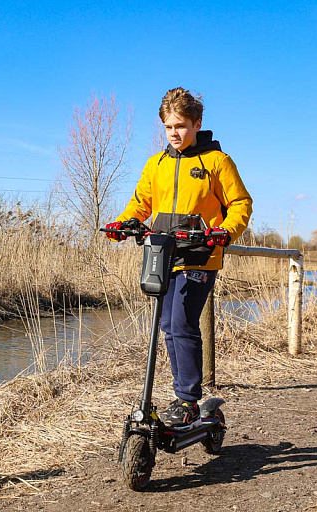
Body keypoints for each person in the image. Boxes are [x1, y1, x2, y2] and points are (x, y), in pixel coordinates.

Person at [105, 87, 252, 427]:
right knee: (168, 325)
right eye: (169, 127)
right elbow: (141, 203)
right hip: (162, 253)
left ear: (197, 124)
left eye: (181, 126)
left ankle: (188, 400)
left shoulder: (217, 162)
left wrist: (225, 231)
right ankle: (182, 395)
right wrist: (122, 223)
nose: (174, 133)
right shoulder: (156, 164)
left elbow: (241, 203)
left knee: (183, 322)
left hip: (200, 254)